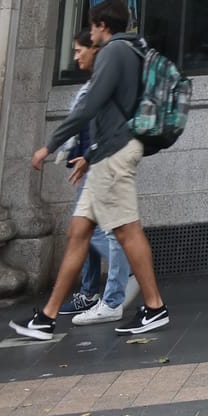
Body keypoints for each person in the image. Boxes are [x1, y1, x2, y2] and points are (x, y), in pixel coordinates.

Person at [9, 4, 167, 344]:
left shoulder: (114, 51)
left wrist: (50, 144)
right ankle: (47, 317)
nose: (89, 35)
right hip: (106, 153)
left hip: (114, 154)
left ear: (101, 25)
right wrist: (90, 155)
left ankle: (154, 306)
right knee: (79, 232)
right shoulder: (131, 50)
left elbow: (91, 104)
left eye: (91, 28)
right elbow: (109, 110)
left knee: (126, 230)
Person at [57, 31, 131, 324]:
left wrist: (87, 157)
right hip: (92, 162)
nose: (75, 57)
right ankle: (89, 291)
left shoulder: (102, 85)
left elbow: (98, 127)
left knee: (88, 231)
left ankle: (128, 270)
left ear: (94, 51)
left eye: (79, 50)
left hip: (99, 164)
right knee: (85, 230)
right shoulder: (95, 83)